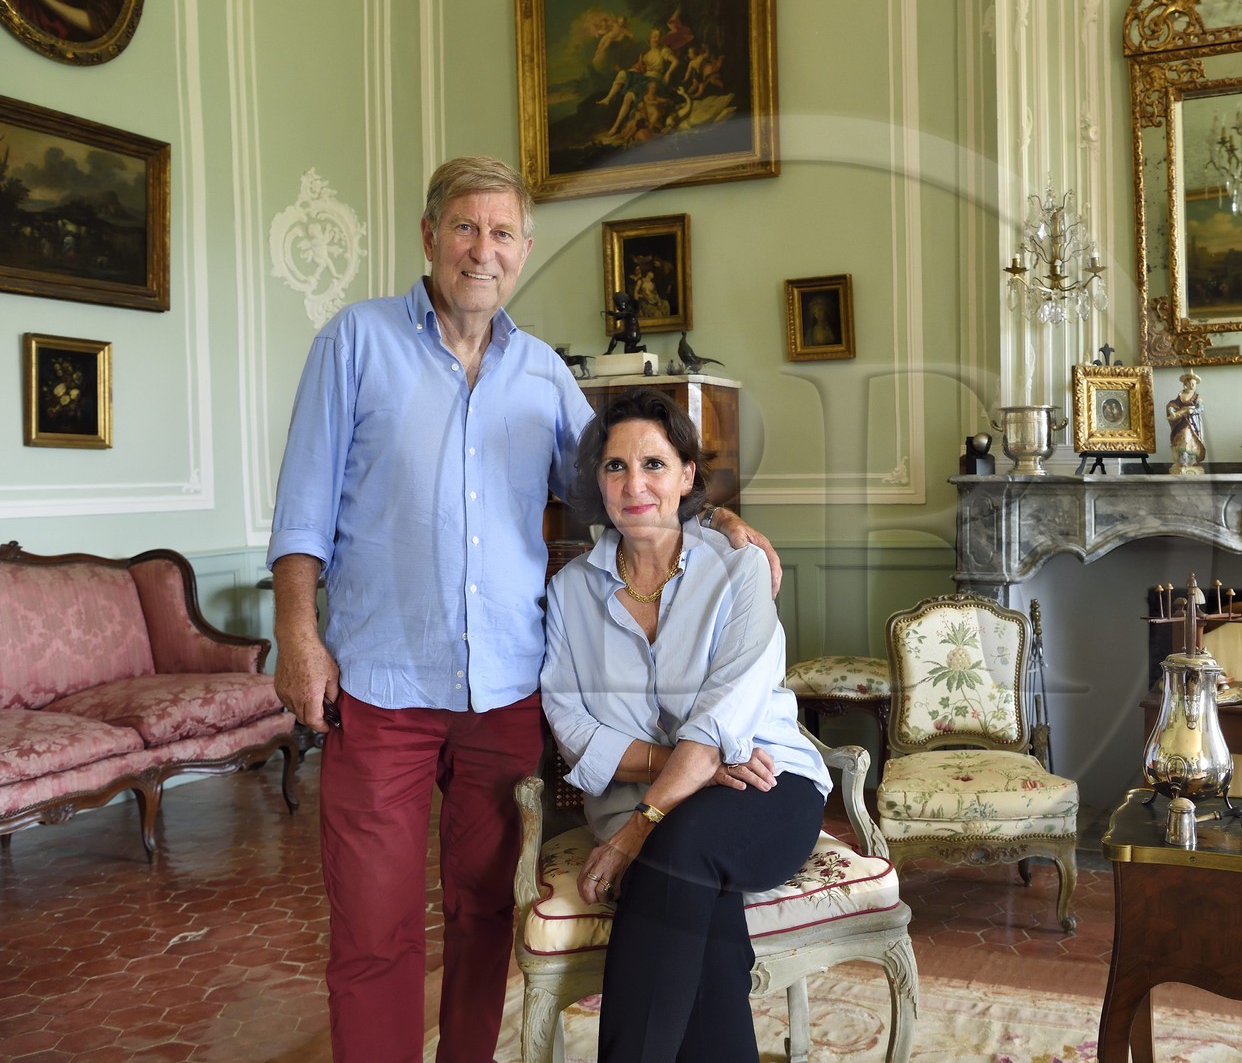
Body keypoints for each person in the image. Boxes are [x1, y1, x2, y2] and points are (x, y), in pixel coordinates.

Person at [267, 155, 777, 1063]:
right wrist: (297, 632)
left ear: (525, 251)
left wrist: (718, 516)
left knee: (478, 913)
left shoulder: (543, 374)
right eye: (465, 227)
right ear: (429, 237)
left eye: (502, 234)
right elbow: (303, 505)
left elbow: (621, 487)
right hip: (380, 679)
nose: (482, 250)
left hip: (504, 687)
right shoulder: (355, 343)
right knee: (372, 923)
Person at [540, 387, 829, 1062]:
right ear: (597, 482)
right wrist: (688, 761)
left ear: (688, 476)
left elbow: (726, 715)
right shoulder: (570, 592)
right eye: (615, 467)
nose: (634, 484)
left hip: (762, 788)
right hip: (688, 789)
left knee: (673, 850)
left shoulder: (739, 566)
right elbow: (571, 727)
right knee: (702, 914)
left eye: (654, 464)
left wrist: (635, 830)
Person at [1166, 371, 1205, 474]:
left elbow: (1201, 408)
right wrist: (1171, 409)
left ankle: (1192, 461)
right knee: (1183, 438)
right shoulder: (1181, 395)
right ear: (1186, 384)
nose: (1192, 386)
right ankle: (1183, 460)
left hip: (1193, 421)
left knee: (1193, 439)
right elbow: (1173, 404)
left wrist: (1193, 410)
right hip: (1182, 421)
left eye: (1194, 384)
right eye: (1190, 383)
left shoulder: (1197, 397)